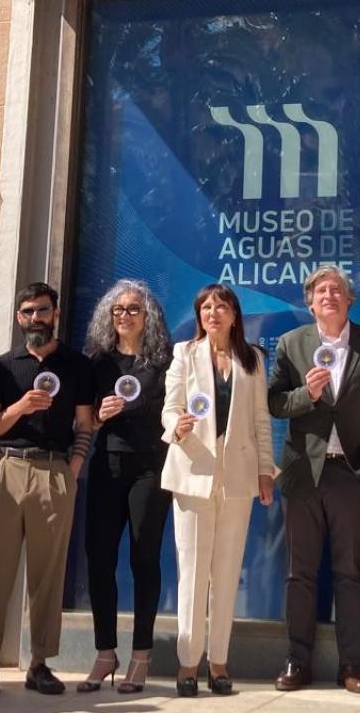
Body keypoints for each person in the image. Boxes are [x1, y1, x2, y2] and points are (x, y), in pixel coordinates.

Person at [0, 283, 97, 699]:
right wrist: (20, 407)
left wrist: (73, 469)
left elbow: (85, 424)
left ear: (55, 313)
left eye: (41, 310)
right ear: (19, 318)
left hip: (55, 471)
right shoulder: (4, 366)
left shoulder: (76, 365)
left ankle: (40, 663)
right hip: (7, 468)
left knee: (48, 573)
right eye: (27, 312)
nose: (35, 318)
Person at [266, 264, 360, 694]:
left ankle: (351, 665)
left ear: (349, 299)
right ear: (310, 302)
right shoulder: (291, 343)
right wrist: (308, 395)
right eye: (321, 291)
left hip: (353, 472)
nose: (329, 296)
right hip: (304, 471)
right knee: (299, 573)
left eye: (337, 289)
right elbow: (275, 402)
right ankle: (296, 661)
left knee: (350, 572)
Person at [161, 283, 277, 697]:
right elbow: (169, 407)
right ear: (199, 315)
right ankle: (188, 663)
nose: (213, 312)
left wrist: (265, 471)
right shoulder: (183, 354)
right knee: (192, 574)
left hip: (237, 477)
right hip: (193, 471)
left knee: (227, 573)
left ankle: (219, 662)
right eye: (206, 307)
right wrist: (177, 426)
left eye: (221, 306)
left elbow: (261, 420)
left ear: (234, 314)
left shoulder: (253, 359)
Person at [80, 279, 175, 693]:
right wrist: (99, 415)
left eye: (134, 309)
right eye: (118, 309)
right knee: (99, 557)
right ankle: (105, 652)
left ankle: (141, 655)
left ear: (148, 315)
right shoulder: (97, 362)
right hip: (108, 465)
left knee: (144, 559)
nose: (125, 316)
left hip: (150, 469)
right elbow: (84, 421)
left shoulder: (165, 362)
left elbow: (174, 412)